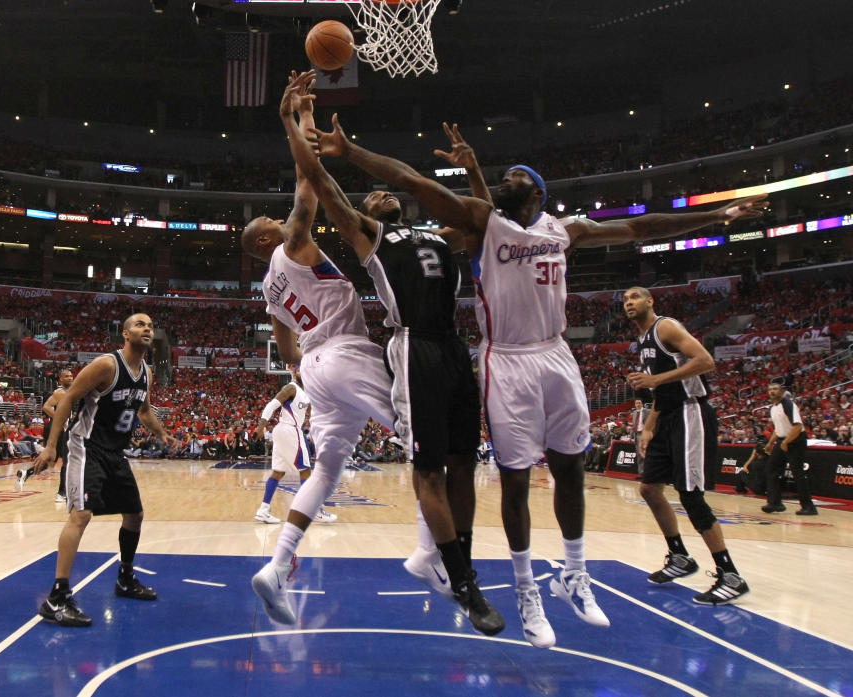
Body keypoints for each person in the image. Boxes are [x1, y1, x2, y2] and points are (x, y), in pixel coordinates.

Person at [310, 115, 767, 644]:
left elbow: (642, 228)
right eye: (499, 181)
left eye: (514, 180)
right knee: (514, 479)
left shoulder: (562, 230)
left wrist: (716, 215)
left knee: (570, 468)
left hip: (554, 353)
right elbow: (418, 183)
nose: (505, 183)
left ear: (538, 194)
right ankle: (524, 591)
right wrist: (349, 149)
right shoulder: (485, 222)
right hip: (504, 358)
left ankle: (575, 574)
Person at [247, 72, 501, 636]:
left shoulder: (270, 288)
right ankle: (429, 555)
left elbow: (285, 340)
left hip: (317, 367)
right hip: (346, 353)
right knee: (423, 444)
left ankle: (278, 562)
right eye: (268, 223)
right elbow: (307, 184)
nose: (276, 219)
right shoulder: (291, 244)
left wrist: (303, 373)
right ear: (266, 240)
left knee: (328, 469)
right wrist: (299, 118)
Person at [31, 313, 176, 627]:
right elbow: (68, 399)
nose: (147, 329)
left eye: (150, 325)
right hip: (87, 447)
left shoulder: (147, 372)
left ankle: (125, 578)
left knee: (134, 514)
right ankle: (57, 598)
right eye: (140, 324)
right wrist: (52, 445)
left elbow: (144, 410)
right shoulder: (106, 365)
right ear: (125, 333)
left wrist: (162, 433)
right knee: (80, 515)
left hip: (115, 453)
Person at [624, 286, 750, 605]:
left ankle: (730, 575)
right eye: (625, 300)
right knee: (649, 489)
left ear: (650, 301)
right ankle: (680, 556)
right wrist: (649, 428)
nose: (628, 303)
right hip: (667, 416)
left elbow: (705, 361)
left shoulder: (665, 326)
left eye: (634, 297)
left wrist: (654, 381)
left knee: (691, 495)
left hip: (690, 411)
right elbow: (661, 394)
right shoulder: (642, 341)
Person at [253, 365, 337, 525]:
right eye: (298, 370)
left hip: (285, 432)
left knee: (278, 472)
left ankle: (263, 510)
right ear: (295, 372)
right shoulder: (291, 388)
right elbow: (272, 405)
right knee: (305, 471)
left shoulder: (307, 393)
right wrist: (261, 426)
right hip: (289, 430)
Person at [15, 369, 74, 499]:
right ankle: (62, 493)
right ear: (60, 379)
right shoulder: (60, 392)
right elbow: (46, 407)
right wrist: (62, 420)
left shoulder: (70, 391)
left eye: (71, 376)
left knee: (51, 460)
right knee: (67, 461)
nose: (70, 378)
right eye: (66, 376)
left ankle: (26, 473)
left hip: (58, 427)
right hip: (57, 427)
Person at [763, 383, 817, 515]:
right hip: (783, 440)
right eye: (770, 389)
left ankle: (809, 507)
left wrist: (786, 442)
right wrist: (770, 443)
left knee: (797, 473)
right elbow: (779, 428)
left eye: (775, 389)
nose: (772, 391)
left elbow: (797, 426)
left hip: (796, 440)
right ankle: (775, 503)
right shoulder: (773, 408)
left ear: (781, 391)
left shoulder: (788, 404)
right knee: (772, 469)